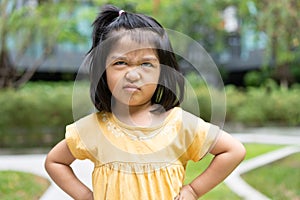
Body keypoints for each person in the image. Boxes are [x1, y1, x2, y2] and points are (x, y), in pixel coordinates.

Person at [45, 5, 246, 200]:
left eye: (146, 64)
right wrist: (85, 196)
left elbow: (233, 151)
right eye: (120, 63)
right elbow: (55, 161)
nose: (133, 74)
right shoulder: (94, 128)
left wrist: (194, 190)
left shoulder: (179, 124)